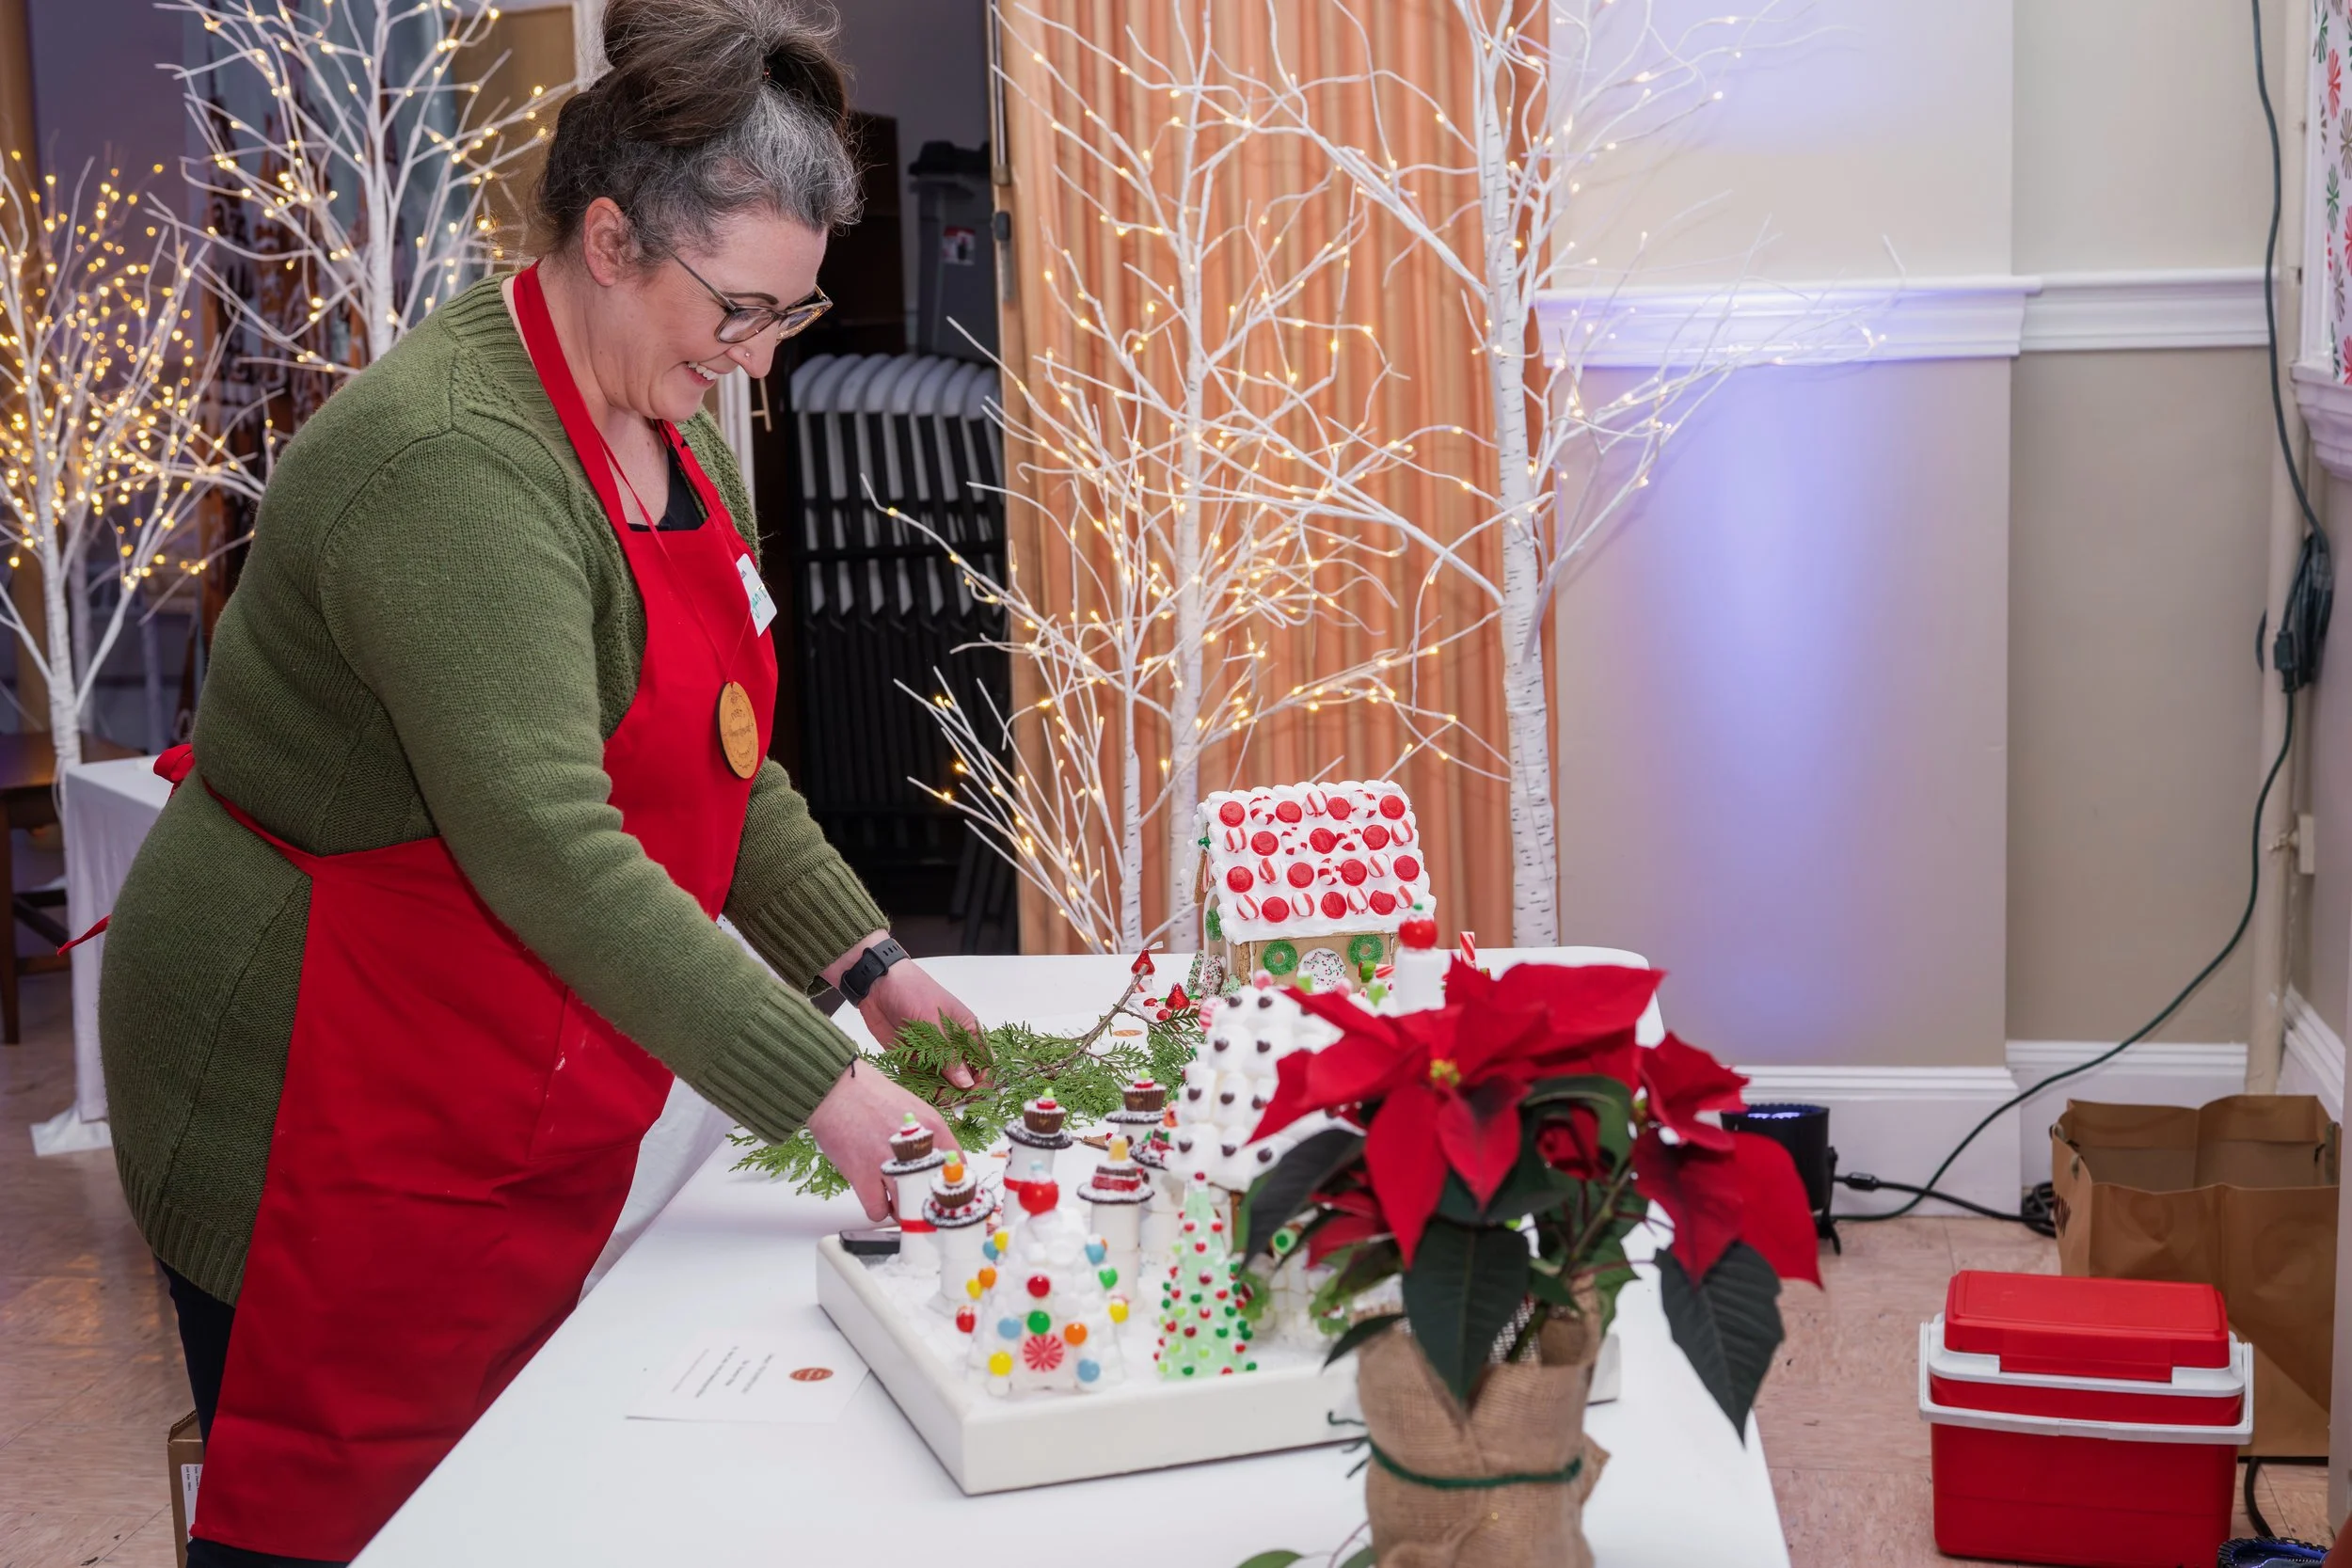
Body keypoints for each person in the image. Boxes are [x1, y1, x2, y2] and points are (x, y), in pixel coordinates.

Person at [95, 5, 971, 1561]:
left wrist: (869, 965)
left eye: (790, 314)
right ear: (614, 235)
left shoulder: (672, 419)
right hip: (309, 1072)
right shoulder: (455, 463)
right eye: (741, 308)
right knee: (365, 1508)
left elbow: (717, 758)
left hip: (491, 1037)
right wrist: (826, 1092)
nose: (759, 356)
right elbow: (557, 847)